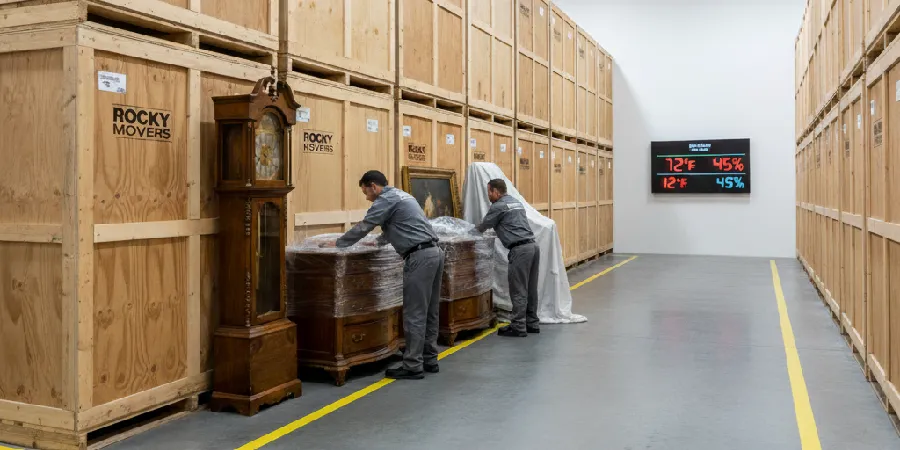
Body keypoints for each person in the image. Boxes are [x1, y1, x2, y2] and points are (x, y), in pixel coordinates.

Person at [336, 170, 445, 380]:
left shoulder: (384, 200)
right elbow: (397, 227)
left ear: (373, 186)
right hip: (435, 253)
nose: (366, 197)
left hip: (419, 257)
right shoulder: (402, 195)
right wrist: (377, 243)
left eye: (365, 192)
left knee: (414, 313)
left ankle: (413, 365)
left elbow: (364, 226)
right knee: (430, 311)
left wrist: (338, 244)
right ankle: (429, 358)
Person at [476, 179, 541, 337]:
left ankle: (518, 326)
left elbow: (483, 226)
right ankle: (532, 323)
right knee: (531, 289)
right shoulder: (515, 202)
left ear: (496, 192)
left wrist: (466, 232)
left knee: (518, 290)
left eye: (489, 192)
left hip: (520, 250)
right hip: (533, 247)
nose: (488, 195)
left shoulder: (498, 206)